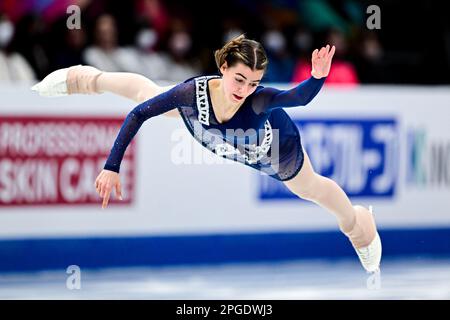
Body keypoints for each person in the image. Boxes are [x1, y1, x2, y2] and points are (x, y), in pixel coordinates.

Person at [31, 34, 381, 273]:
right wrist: (112, 167)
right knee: (145, 94)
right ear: (224, 67)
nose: (245, 90)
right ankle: (82, 79)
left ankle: (359, 227)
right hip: (209, 127)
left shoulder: (258, 101)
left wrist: (317, 78)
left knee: (311, 189)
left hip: (275, 149)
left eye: (254, 82)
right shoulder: (192, 93)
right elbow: (140, 114)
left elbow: (298, 98)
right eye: (239, 79)